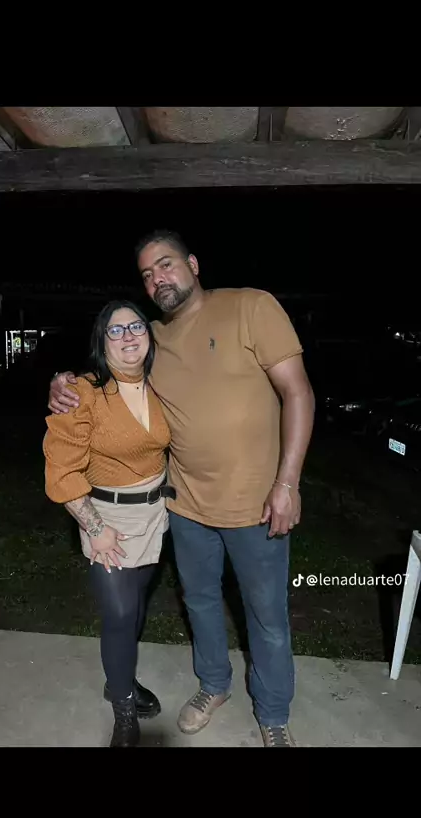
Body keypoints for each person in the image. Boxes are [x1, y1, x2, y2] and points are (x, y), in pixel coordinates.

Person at [48, 231, 316, 748]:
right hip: (185, 507)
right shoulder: (151, 337)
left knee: (267, 617)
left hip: (259, 506)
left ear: (193, 264)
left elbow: (298, 391)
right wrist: (62, 383)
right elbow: (107, 371)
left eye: (166, 265)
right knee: (201, 602)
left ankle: (274, 713)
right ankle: (213, 685)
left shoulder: (251, 307)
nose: (158, 279)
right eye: (147, 275)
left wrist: (287, 483)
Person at [42, 299, 173, 748]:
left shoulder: (163, 384)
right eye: (115, 330)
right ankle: (124, 711)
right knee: (118, 614)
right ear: (102, 342)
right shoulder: (83, 392)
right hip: (106, 518)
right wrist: (96, 529)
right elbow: (62, 470)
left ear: (149, 335)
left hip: (155, 514)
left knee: (135, 608)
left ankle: (121, 678)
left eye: (136, 326)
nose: (128, 336)